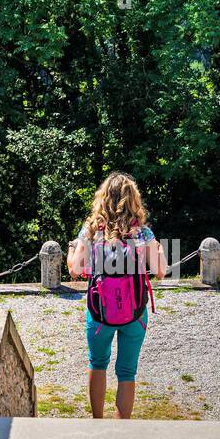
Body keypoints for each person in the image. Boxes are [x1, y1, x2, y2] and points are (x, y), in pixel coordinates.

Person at [67, 173, 167, 419]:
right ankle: (121, 427)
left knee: (97, 363)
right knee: (127, 371)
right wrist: (161, 250)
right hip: (135, 313)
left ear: (103, 199)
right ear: (133, 200)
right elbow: (161, 272)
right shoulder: (142, 234)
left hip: (99, 313)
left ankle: (98, 421)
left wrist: (71, 250)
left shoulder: (91, 231)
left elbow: (75, 270)